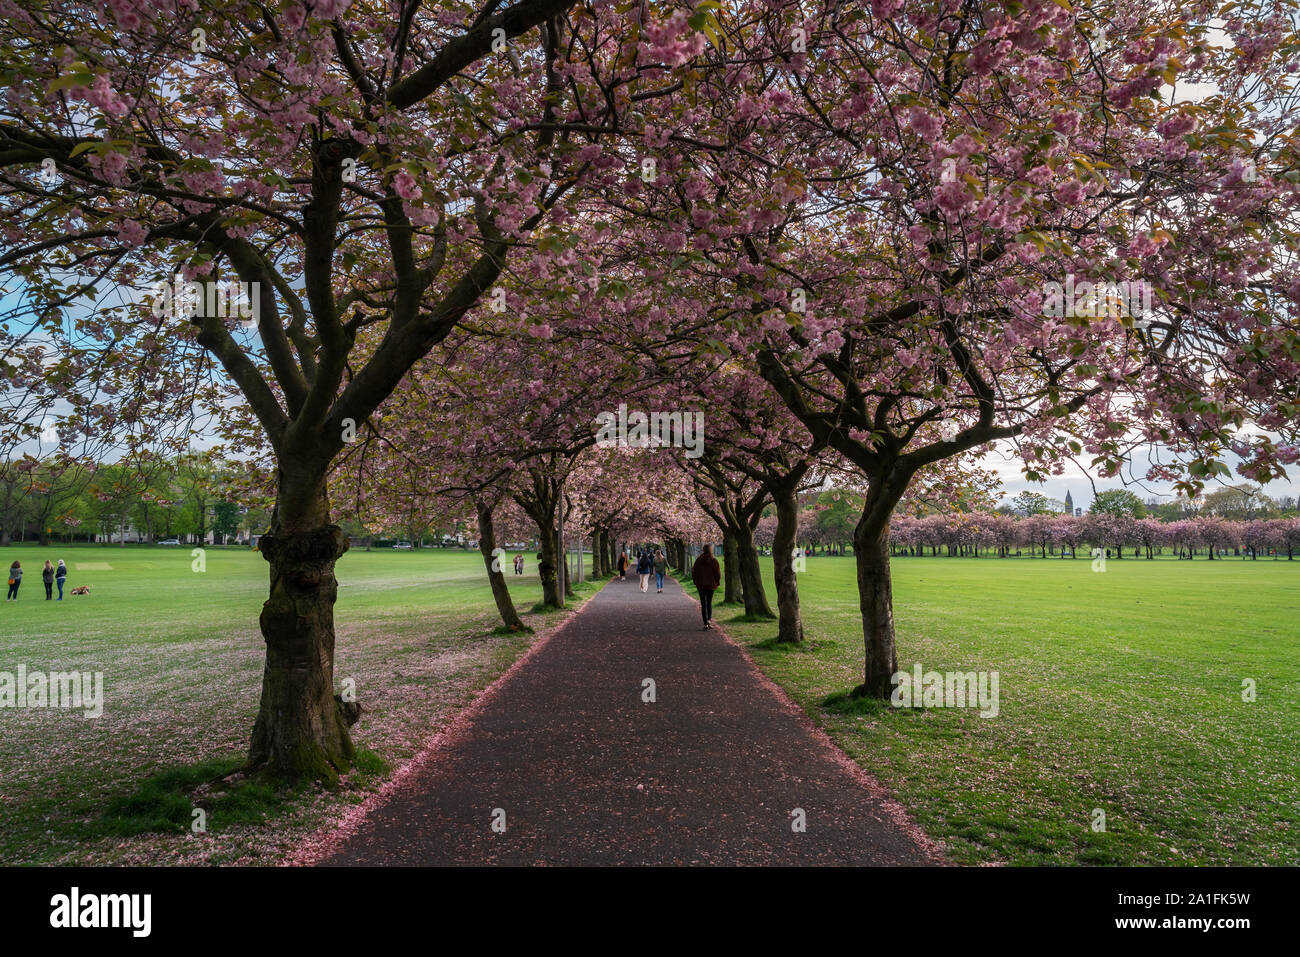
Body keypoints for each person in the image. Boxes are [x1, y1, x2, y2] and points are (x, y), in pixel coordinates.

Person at [691, 545, 722, 630]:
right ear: (711, 550)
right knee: (709, 603)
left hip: (701, 585)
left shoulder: (698, 560)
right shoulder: (714, 561)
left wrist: (696, 582)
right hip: (711, 585)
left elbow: (694, 572)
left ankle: (705, 623)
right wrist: (717, 582)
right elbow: (718, 574)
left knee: (703, 604)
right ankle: (709, 620)